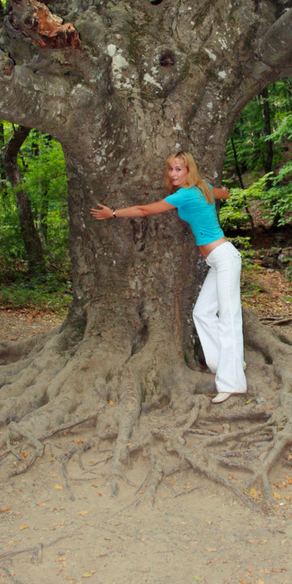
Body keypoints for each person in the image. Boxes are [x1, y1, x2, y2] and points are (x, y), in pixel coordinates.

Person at [90, 151, 247, 403]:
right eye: (171, 169)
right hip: (217, 261)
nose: (173, 174)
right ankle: (227, 364)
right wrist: (223, 190)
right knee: (202, 313)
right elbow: (224, 193)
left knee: (229, 317)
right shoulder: (202, 188)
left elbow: (143, 210)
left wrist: (114, 213)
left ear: (189, 171)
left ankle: (233, 383)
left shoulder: (185, 194)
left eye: (179, 169)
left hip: (225, 257)